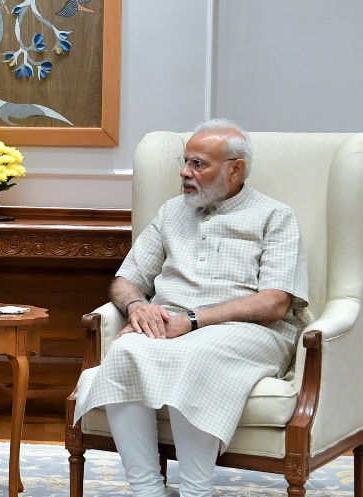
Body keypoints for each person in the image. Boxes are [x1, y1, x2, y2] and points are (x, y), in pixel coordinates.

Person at [73, 118, 309, 497]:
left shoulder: (274, 216)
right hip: (171, 326)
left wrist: (194, 321)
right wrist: (137, 306)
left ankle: (197, 491)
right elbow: (126, 278)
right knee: (126, 349)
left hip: (250, 331)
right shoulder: (171, 212)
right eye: (185, 162)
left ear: (236, 168)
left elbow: (276, 302)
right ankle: (147, 490)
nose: (184, 172)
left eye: (198, 164)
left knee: (194, 355)